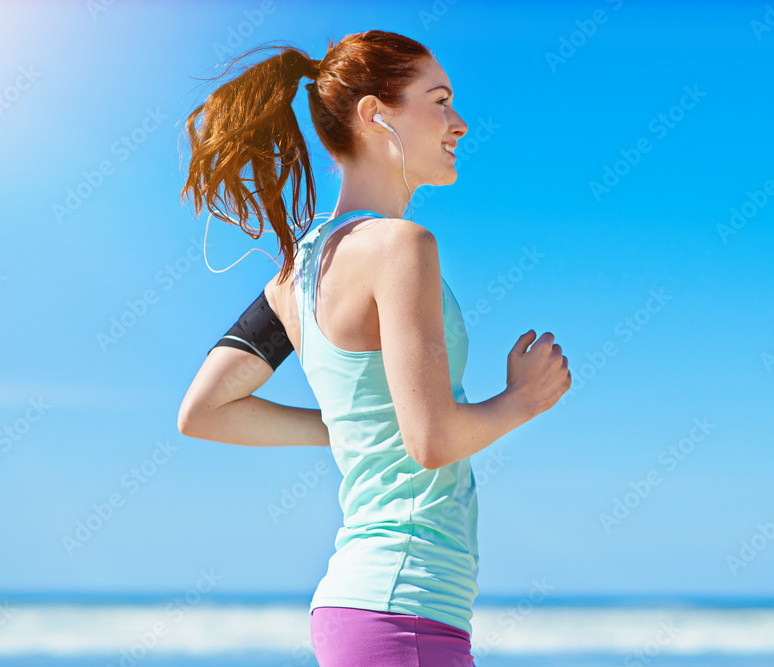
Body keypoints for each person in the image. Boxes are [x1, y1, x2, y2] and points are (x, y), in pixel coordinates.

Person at [176, 30, 572, 666]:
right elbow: (433, 441)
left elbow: (205, 410)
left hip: (366, 608)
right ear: (374, 114)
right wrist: (526, 398)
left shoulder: (293, 274)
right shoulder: (400, 247)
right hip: (405, 609)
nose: (459, 123)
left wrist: (350, 430)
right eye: (438, 101)